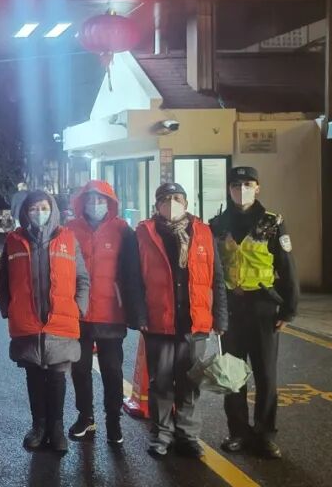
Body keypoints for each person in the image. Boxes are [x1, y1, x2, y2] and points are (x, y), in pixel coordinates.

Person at [211, 166, 299, 459]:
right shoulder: (217, 224)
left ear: (258, 187)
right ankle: (238, 432)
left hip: (263, 307)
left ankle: (265, 435)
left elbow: (287, 266)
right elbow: (211, 270)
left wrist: (289, 309)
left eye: (248, 184)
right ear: (229, 189)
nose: (242, 189)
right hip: (230, 309)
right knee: (232, 375)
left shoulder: (272, 222)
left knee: (265, 375)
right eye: (236, 184)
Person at [135, 182, 227, 459]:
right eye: (165, 199)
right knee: (161, 382)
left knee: (189, 382)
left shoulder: (203, 232)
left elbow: (217, 278)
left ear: (186, 202)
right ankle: (162, 434)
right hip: (159, 321)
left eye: (177, 198)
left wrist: (220, 317)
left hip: (194, 322)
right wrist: (139, 315)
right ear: (157, 205)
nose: (171, 203)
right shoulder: (144, 233)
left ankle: (188, 435)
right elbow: (133, 278)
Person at [0, 191, 90, 453]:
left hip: (60, 321)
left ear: (53, 210)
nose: (39, 213)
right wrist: (9, 309)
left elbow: (82, 278)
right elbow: (3, 281)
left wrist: (78, 308)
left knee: (58, 377)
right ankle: (38, 426)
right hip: (27, 322)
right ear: (25, 212)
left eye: (44, 207)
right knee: (34, 376)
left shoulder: (68, 239)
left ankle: (56, 428)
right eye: (33, 208)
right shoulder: (14, 241)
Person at [65, 181, 142, 445]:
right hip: (78, 313)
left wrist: (135, 311)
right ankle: (86, 416)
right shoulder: (70, 229)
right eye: (90, 199)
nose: (95, 204)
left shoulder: (123, 230)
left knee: (112, 370)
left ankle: (113, 420)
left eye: (101, 200)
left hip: (111, 313)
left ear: (110, 203)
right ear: (82, 202)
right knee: (80, 370)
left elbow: (133, 272)